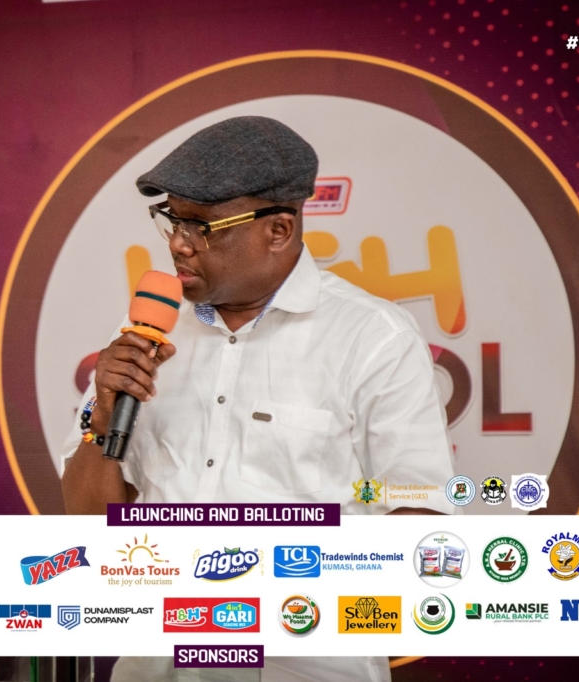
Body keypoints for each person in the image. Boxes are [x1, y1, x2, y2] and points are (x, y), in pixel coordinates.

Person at [61, 116, 455, 682]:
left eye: (202, 226)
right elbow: (91, 530)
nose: (177, 243)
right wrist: (101, 420)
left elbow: (419, 524)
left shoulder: (373, 338)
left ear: (279, 230)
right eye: (172, 219)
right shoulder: (146, 334)